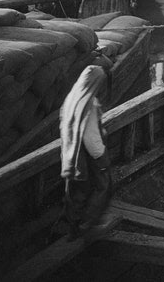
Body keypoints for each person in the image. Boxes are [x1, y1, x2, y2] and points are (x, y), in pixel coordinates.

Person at [60, 66, 111, 240]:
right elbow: (90, 137)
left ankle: (72, 229)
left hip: (70, 155)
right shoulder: (89, 103)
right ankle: (88, 225)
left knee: (76, 191)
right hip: (87, 154)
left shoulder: (72, 97)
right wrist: (102, 157)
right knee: (102, 186)